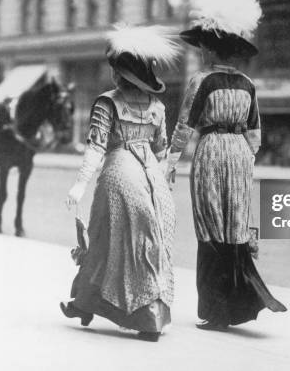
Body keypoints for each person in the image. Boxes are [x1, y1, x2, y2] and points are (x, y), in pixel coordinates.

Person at [166, 0, 287, 331]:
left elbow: (185, 126)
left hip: (211, 150)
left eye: (203, 44)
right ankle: (236, 305)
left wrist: (170, 164)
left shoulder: (201, 80)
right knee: (235, 224)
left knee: (210, 225)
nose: (201, 49)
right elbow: (255, 133)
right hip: (238, 154)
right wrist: (244, 160)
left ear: (210, 47)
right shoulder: (248, 84)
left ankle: (216, 309)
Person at [60, 25, 180, 343]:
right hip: (153, 180)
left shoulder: (107, 103)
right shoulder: (157, 107)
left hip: (119, 176)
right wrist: (165, 185)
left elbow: (97, 148)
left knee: (103, 241)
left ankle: (87, 304)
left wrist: (79, 185)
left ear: (119, 74)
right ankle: (151, 313)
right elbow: (161, 151)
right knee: (152, 244)